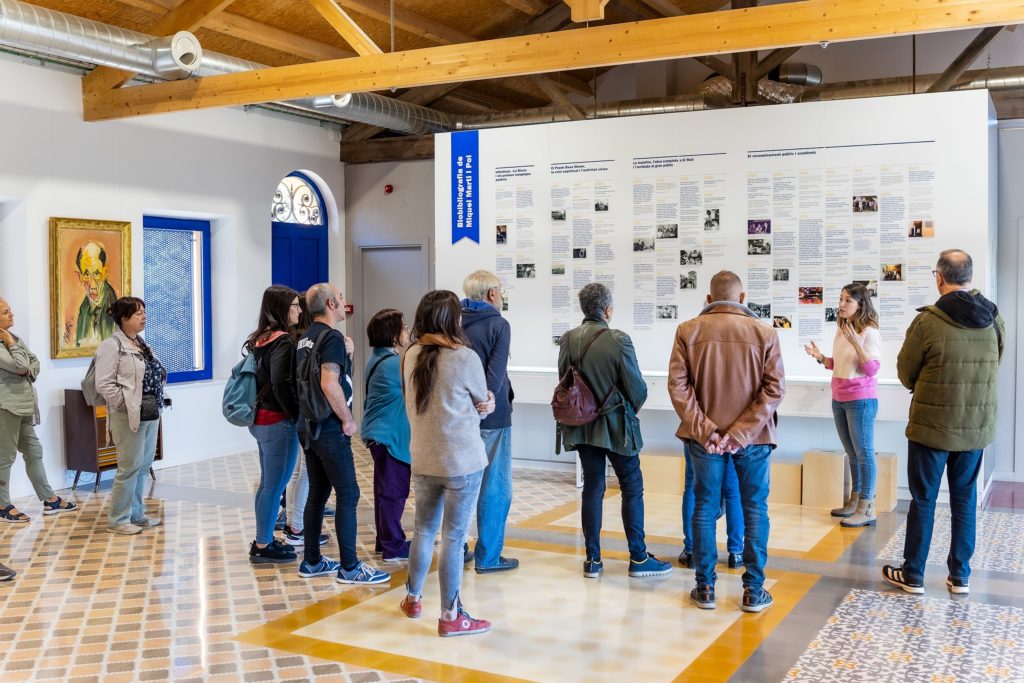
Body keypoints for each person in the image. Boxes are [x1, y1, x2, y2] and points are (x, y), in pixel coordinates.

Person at [882, 249, 1003, 596]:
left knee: (924, 499)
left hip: (931, 426)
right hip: (975, 426)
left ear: (939, 277)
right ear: (970, 276)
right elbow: (997, 359)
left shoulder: (928, 322)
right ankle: (960, 576)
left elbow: (906, 373)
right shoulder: (994, 319)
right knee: (964, 499)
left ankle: (914, 574)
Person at [668, 271, 785, 612]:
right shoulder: (765, 332)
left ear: (708, 299)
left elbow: (678, 387)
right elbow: (774, 389)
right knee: (754, 509)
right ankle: (753, 591)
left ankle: (704, 588)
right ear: (743, 297)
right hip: (755, 439)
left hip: (704, 440)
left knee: (704, 506)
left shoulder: (688, 331)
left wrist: (708, 431)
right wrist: (740, 434)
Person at [557, 282, 671, 580]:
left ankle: (593, 561)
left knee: (593, 487)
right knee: (632, 487)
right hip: (618, 426)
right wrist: (626, 409)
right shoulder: (619, 339)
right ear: (607, 310)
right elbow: (637, 388)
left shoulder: (567, 340)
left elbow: (565, 383)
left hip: (582, 427)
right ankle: (638, 557)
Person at [398, 290, 495, 637]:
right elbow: (483, 401)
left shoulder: (409, 355)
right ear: (451, 319)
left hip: (423, 457)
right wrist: (490, 402)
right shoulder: (464, 357)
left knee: (424, 530)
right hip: (462, 461)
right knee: (453, 538)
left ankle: (412, 597)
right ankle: (451, 615)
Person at [294, 283, 389, 585]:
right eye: (341, 298)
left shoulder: (305, 338)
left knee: (319, 494)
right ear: (332, 304)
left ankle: (312, 561)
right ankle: (350, 567)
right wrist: (347, 419)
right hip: (330, 428)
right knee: (349, 493)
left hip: (309, 426)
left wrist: (347, 354)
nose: (345, 302)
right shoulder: (331, 337)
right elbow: (329, 383)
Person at [804, 283, 881, 527]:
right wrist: (820, 358)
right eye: (840, 299)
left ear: (861, 304)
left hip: (861, 400)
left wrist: (857, 343)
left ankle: (867, 507)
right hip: (840, 398)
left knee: (864, 454)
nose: (841, 305)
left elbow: (872, 369)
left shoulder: (869, 332)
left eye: (848, 300)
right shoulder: (842, 329)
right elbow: (837, 364)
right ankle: (854, 501)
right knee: (852, 453)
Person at [461, 271, 518, 574]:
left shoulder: (454, 321)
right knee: (495, 486)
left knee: (461, 484)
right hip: (492, 416)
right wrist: (485, 403)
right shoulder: (498, 324)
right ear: (492, 294)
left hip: (459, 415)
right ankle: (489, 556)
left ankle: (458, 550)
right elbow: (494, 376)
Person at [0, 298, 77, 522]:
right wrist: (21, 364)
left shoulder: (13, 337)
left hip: (25, 406)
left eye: (10, 309)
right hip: (6, 407)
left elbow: (34, 363)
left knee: (34, 452)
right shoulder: (9, 341)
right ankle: (3, 505)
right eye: (6, 311)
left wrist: (23, 365)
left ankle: (49, 499)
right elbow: (22, 366)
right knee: (5, 458)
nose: (12, 314)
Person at [95, 297, 166, 535]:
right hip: (129, 414)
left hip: (150, 411)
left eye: (144, 312)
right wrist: (124, 404)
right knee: (129, 467)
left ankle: (137, 514)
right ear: (124, 318)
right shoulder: (111, 345)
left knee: (143, 465)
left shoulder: (141, 343)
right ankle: (117, 519)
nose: (144, 317)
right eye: (138, 314)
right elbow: (104, 384)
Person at [245, 286, 304, 564]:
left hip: (261, 420)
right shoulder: (282, 341)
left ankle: (264, 537)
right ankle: (263, 544)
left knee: (268, 484)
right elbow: (281, 382)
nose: (299, 310)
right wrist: (295, 413)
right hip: (277, 421)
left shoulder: (260, 338)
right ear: (282, 308)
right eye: (294, 305)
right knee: (274, 485)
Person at [281, 292, 336, 543]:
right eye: (295, 307)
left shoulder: (299, 339)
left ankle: (294, 522)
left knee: (297, 472)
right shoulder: (302, 340)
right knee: (302, 473)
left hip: (301, 414)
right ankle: (296, 525)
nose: (299, 311)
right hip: (307, 415)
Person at [361, 308, 412, 562]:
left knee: (385, 489)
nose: (407, 331)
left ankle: (386, 541)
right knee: (394, 491)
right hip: (389, 436)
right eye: (403, 327)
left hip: (377, 434)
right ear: (392, 334)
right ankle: (393, 546)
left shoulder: (379, 357)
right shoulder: (394, 363)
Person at [678, 453, 744, 570]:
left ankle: (691, 550)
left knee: (692, 486)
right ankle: (736, 553)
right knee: (733, 490)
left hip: (697, 438)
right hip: (730, 437)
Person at [74, 241, 119, 347]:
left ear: (105, 271)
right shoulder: (84, 309)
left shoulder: (114, 308)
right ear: (80, 277)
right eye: (86, 274)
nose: (93, 285)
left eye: (97, 273)